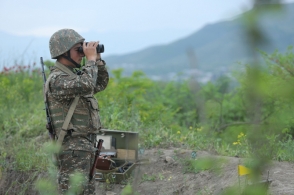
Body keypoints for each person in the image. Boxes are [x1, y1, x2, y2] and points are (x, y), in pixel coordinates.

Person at [45, 28, 109, 194]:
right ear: (63, 52)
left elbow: (99, 84)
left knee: (86, 191)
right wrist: (91, 61)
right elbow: (87, 84)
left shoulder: (74, 76)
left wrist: (98, 60)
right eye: (78, 49)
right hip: (72, 148)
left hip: (84, 146)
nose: (82, 53)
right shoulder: (58, 79)